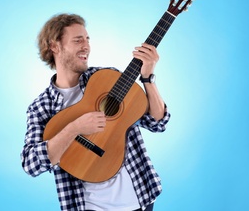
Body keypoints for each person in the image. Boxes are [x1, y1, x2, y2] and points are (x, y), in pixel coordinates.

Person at [21, 13, 171, 211]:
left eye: (87, 39)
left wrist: (148, 78)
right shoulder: (41, 107)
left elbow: (157, 123)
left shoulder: (106, 79)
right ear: (54, 46)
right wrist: (74, 128)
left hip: (141, 198)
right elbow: (31, 164)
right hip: (89, 206)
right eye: (78, 40)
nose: (86, 46)